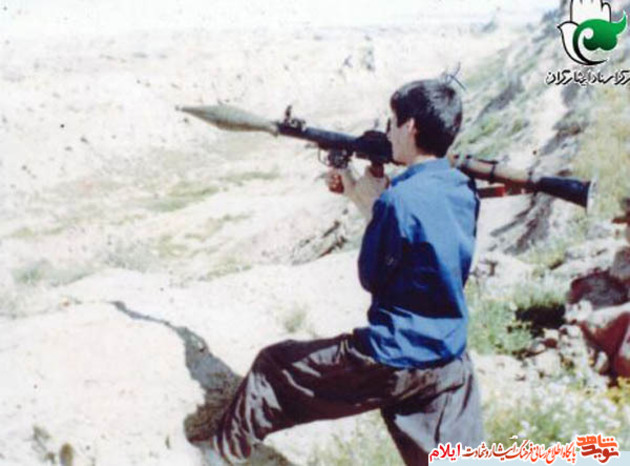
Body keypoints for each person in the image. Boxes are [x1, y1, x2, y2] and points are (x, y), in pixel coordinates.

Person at [206, 79, 483, 465]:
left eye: (392, 122)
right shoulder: (463, 188)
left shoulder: (398, 200)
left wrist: (378, 202)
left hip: (393, 355)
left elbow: (371, 276)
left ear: (410, 127)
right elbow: (430, 246)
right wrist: (370, 191)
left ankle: (214, 457)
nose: (389, 131)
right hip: (449, 360)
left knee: (271, 368)